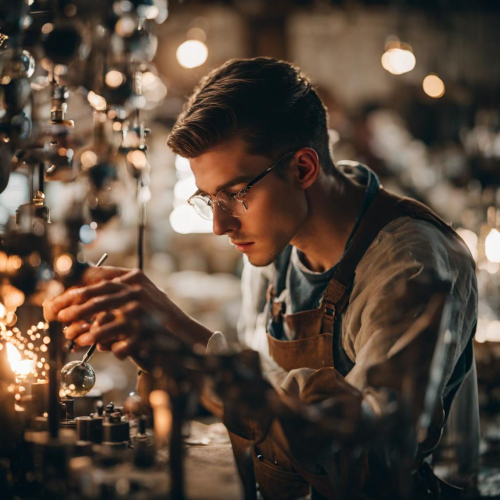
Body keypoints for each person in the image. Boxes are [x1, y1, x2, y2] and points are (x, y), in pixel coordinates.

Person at [45, 57, 479, 499]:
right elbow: (263, 408)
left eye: (234, 194)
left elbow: (373, 461)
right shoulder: (274, 250)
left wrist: (196, 349)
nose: (218, 225)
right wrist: (171, 353)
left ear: (304, 168)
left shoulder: (410, 265)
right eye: (208, 198)